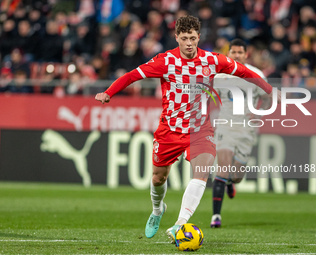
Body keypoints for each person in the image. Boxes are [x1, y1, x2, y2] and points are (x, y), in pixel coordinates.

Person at [95, 16, 280, 243]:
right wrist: (108, 93)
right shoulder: (165, 61)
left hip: (201, 129)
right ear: (177, 38)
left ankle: (180, 224)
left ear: (199, 37)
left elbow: (243, 72)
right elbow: (133, 75)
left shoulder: (212, 60)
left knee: (201, 173)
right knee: (157, 178)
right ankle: (157, 210)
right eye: (184, 38)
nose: (189, 43)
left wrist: (269, 89)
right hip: (170, 129)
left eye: (193, 38)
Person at [210, 39, 272, 228]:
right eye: (233, 52)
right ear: (228, 54)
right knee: (222, 166)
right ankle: (216, 217)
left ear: (246, 54)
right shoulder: (219, 75)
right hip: (226, 127)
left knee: (237, 175)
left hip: (246, 129)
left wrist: (259, 112)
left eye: (240, 52)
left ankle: (230, 182)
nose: (236, 56)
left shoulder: (257, 74)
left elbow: (268, 98)